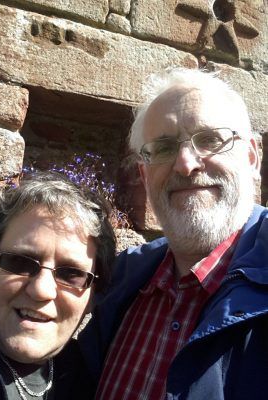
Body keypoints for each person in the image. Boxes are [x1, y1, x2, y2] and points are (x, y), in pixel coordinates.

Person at [78, 67, 268, 400]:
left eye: (210, 139)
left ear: (252, 157)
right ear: (144, 173)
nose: (185, 164)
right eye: (163, 148)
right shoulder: (122, 280)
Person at [0, 172, 116, 399]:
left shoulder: (88, 380)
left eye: (71, 274)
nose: (41, 290)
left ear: (92, 297)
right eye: (20, 262)